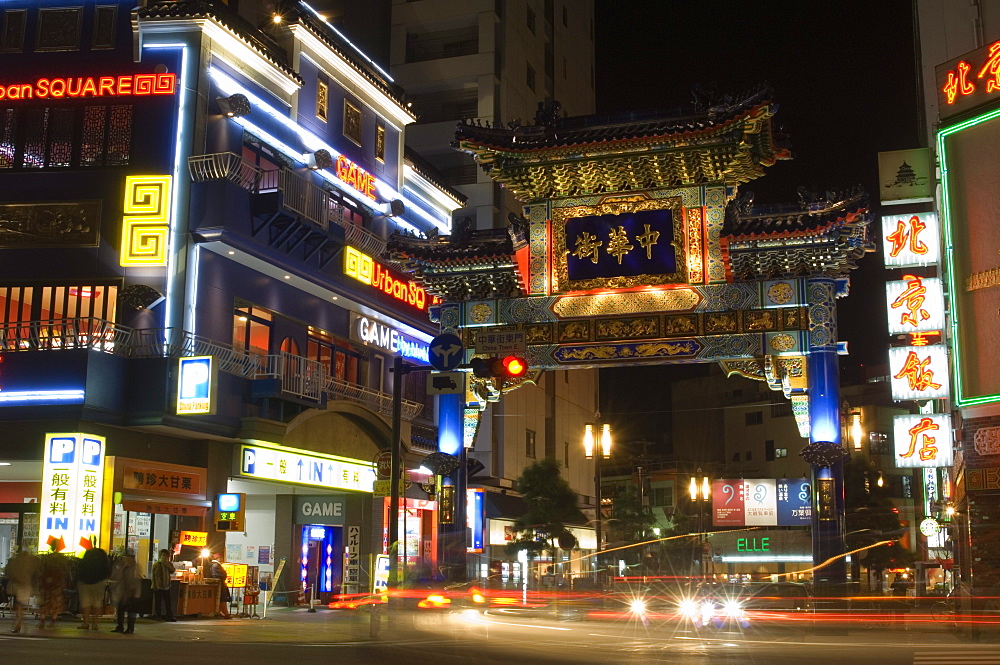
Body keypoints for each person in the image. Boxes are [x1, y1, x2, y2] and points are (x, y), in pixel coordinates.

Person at [4, 548, 39, 634]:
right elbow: (36, 574)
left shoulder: (16, 562)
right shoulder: (31, 563)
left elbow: (8, 572)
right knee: (19, 605)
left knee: (18, 605)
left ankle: (18, 624)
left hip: (17, 585)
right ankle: (19, 623)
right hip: (25, 585)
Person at [76, 547, 111, 631]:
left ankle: (86, 623)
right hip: (99, 582)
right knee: (97, 603)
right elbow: (107, 569)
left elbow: (80, 569)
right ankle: (95, 624)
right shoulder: (102, 555)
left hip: (85, 582)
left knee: (85, 604)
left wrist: (79, 579)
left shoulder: (87, 556)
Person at [110, 549, 142, 634]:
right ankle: (120, 626)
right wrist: (123, 567)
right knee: (120, 609)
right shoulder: (122, 566)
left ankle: (130, 628)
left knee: (131, 611)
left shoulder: (135, 567)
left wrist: (136, 592)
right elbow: (116, 576)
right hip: (123, 591)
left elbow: (137, 580)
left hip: (132, 591)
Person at [37, 547, 69, 628]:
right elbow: (65, 571)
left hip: (46, 584)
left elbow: (41, 570)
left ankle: (42, 622)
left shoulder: (46, 558)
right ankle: (53, 621)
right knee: (55, 603)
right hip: (57, 584)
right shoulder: (62, 559)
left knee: (44, 603)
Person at [151, 549, 176, 621]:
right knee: (158, 602)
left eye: (166, 556)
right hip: (158, 587)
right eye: (163, 555)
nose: (164, 557)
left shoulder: (168, 564)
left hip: (167, 586)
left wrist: (167, 564)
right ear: (160, 556)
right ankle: (158, 615)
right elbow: (154, 576)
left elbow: (173, 570)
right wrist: (155, 585)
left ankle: (169, 615)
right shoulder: (157, 564)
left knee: (168, 602)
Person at [206, 552, 232, 619]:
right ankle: (225, 613)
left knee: (222, 599)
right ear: (218, 558)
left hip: (221, 584)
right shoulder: (215, 565)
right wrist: (223, 576)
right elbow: (216, 575)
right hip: (220, 584)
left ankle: (221, 612)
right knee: (223, 599)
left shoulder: (216, 565)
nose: (221, 559)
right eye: (220, 558)